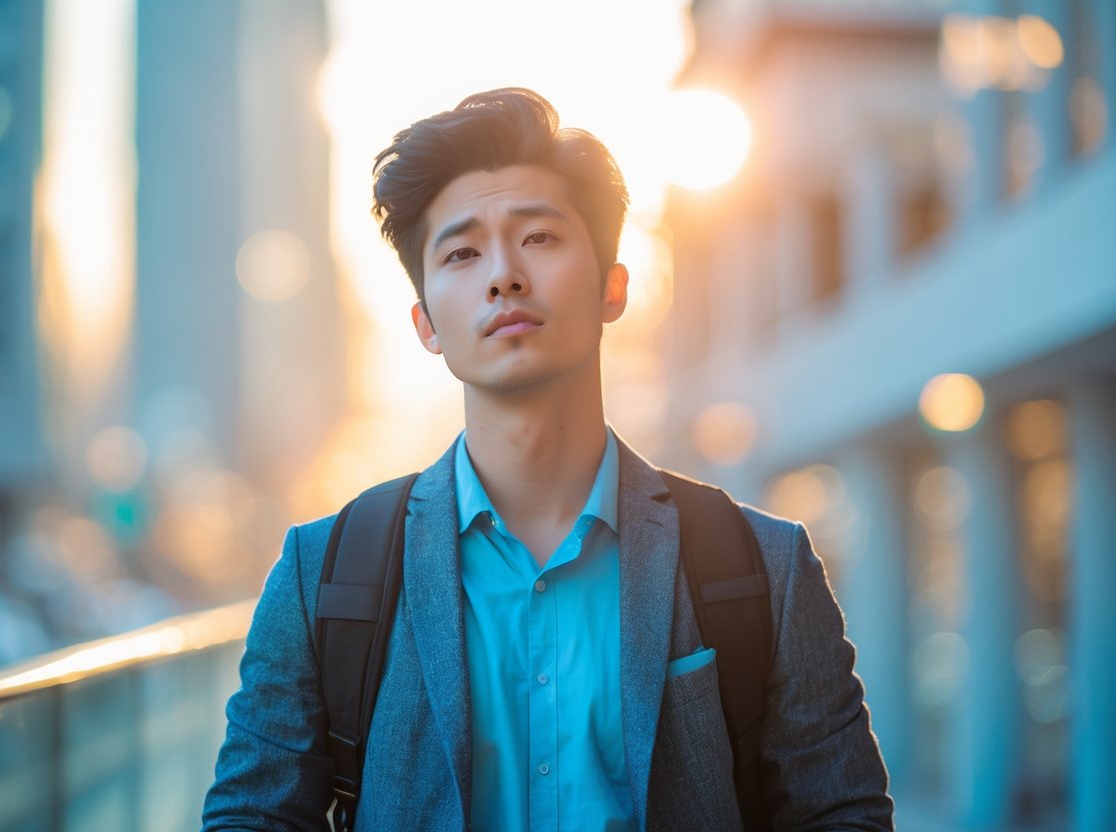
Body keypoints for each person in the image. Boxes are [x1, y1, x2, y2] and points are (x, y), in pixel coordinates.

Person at [202, 87, 893, 831]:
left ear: (612, 288)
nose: (503, 274)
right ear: (426, 324)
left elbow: (844, 815)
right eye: (461, 253)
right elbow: (251, 818)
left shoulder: (765, 567)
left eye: (538, 236)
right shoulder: (323, 575)